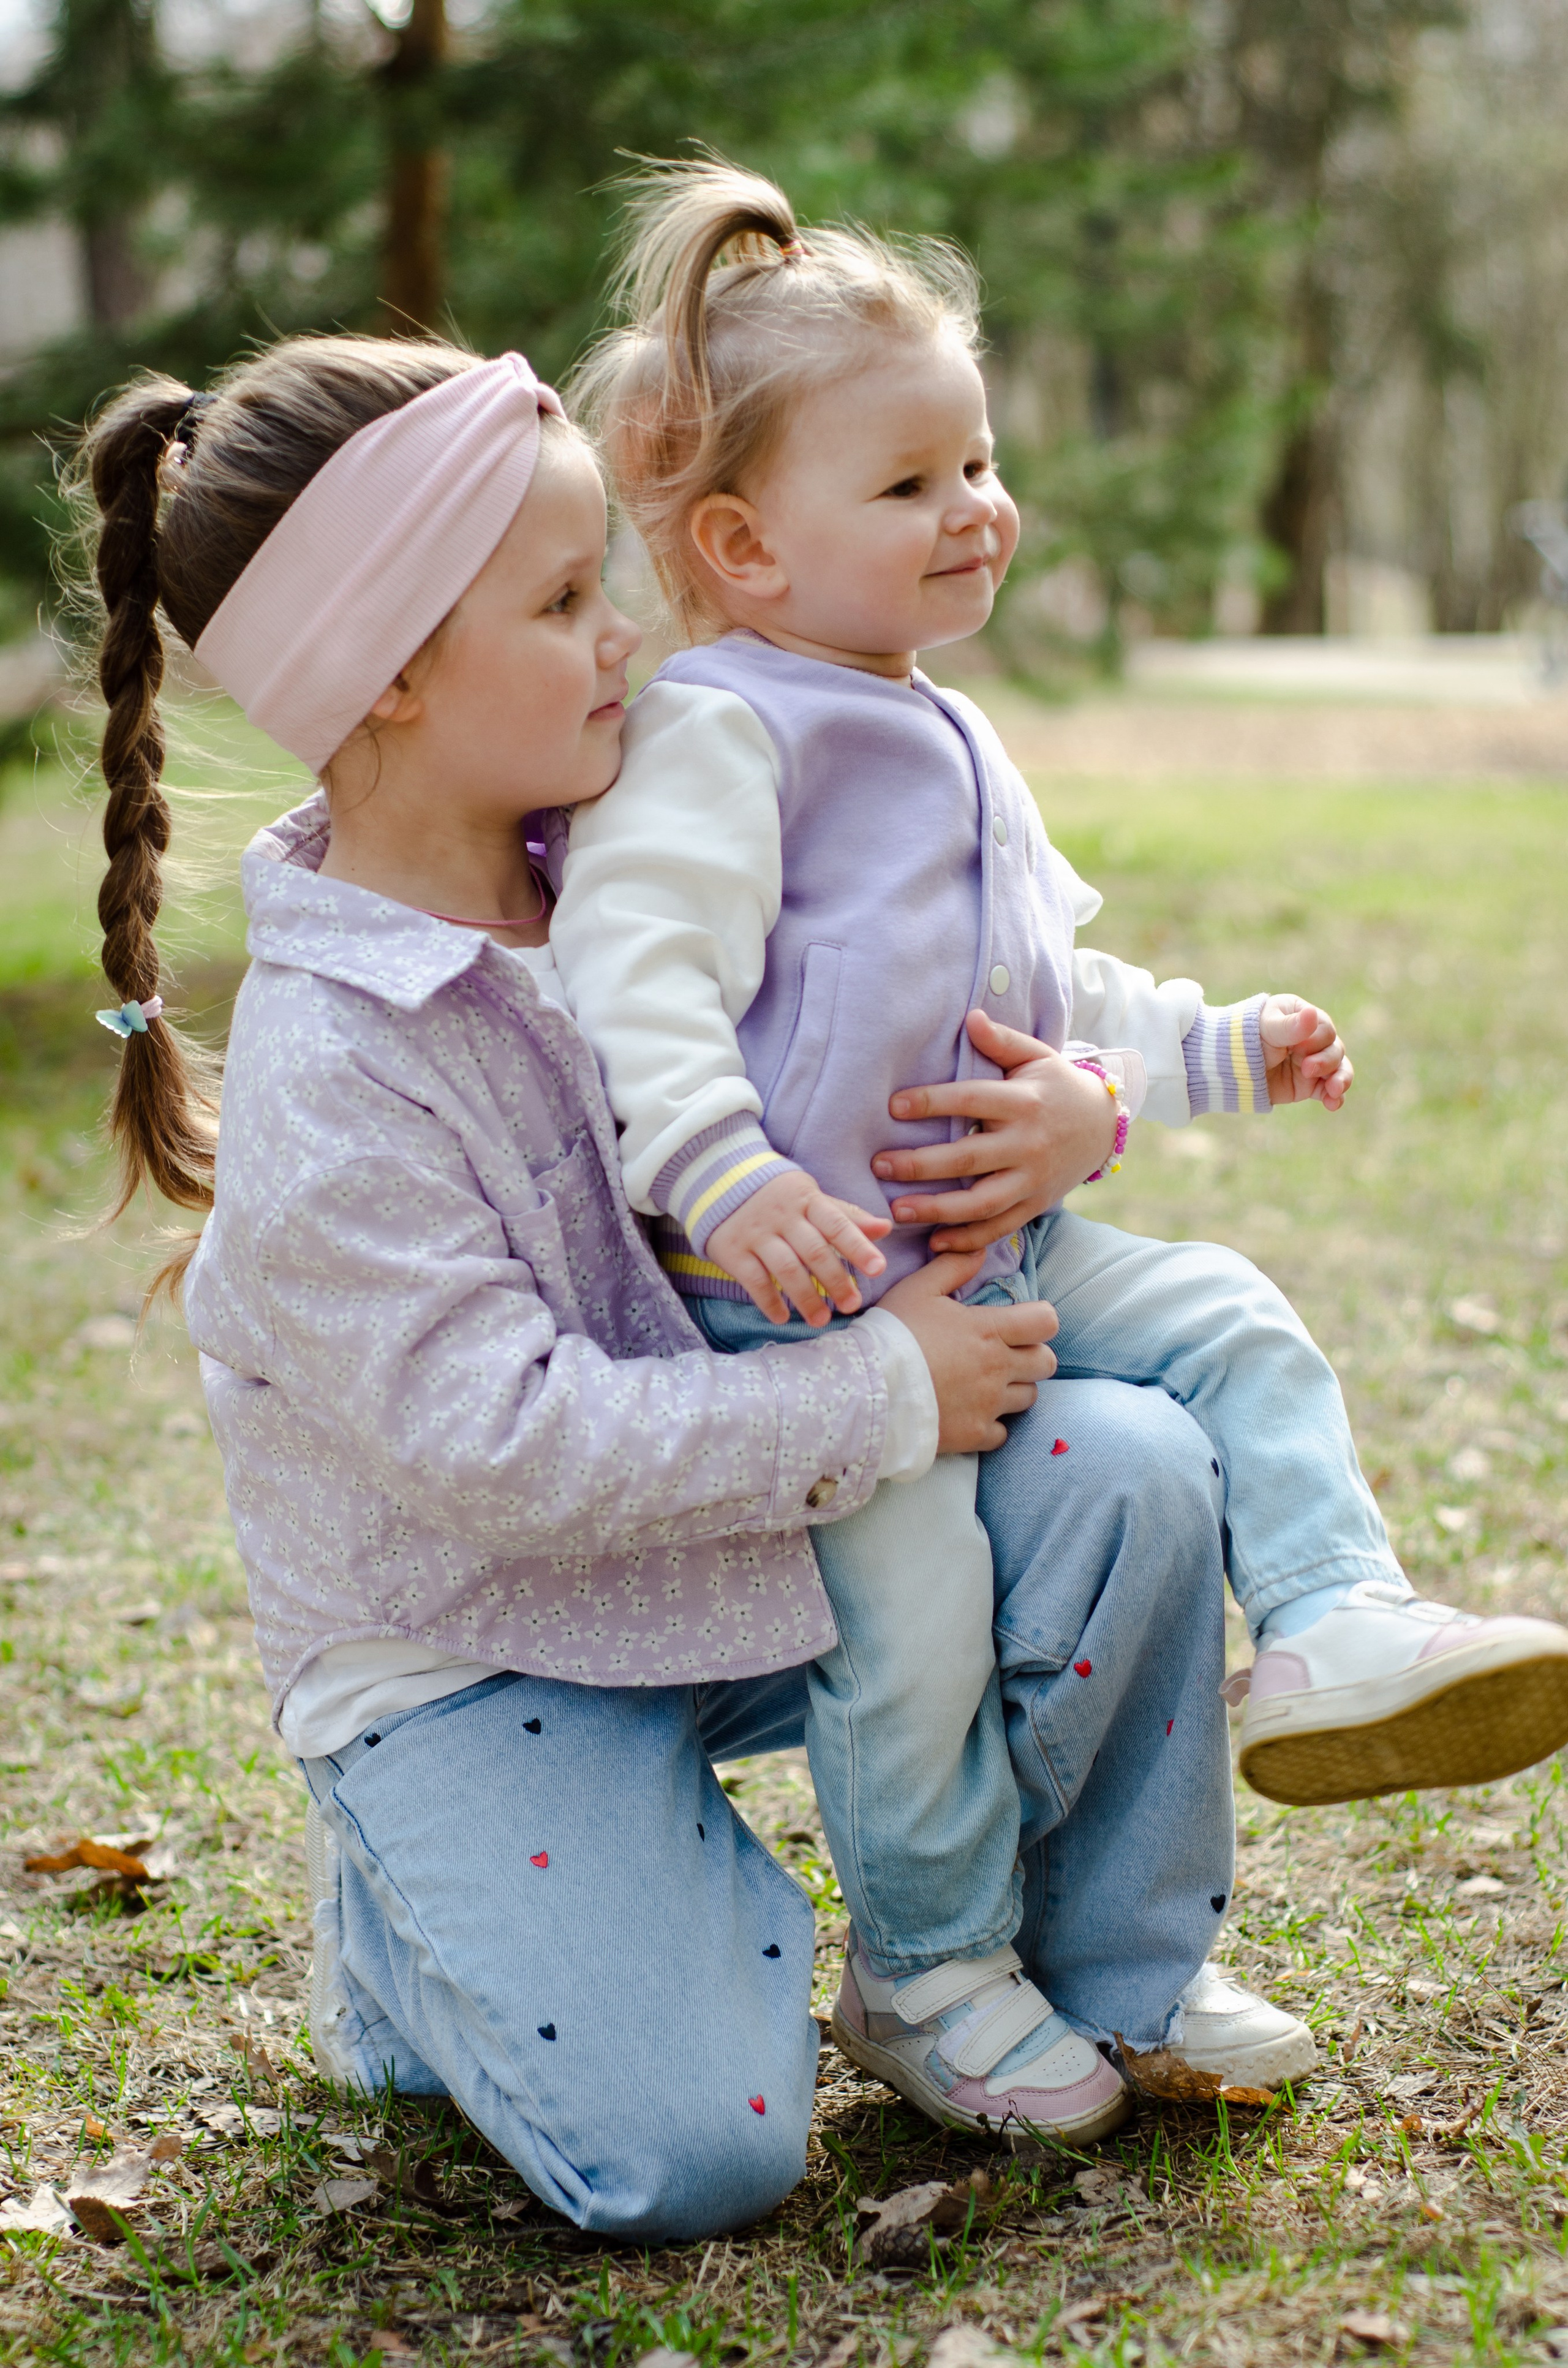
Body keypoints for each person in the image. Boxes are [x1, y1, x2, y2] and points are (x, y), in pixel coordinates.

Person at [74, 331, 1302, 2235]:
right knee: (698, 2151)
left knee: (1129, 1463)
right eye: (565, 603)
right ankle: (425, 1930)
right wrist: (882, 1390)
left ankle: (1077, 1970)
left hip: (741, 1538)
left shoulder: (655, 844)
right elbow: (508, 1448)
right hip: (480, 1644)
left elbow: (952, 1007)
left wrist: (1083, 1106)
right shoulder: (339, 1073)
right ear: (388, 676)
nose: (624, 638)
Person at [554, 159, 1568, 2121]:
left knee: (1230, 1318)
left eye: (981, 459)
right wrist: (727, 1172)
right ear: (747, 548)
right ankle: (930, 1965)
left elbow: (1051, 988)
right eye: (914, 480)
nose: (978, 507)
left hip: (1000, 1251)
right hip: (812, 1298)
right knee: (913, 1606)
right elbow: (636, 979)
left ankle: (1340, 1617)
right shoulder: (725, 734)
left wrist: (1208, 1050)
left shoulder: (942, 725)